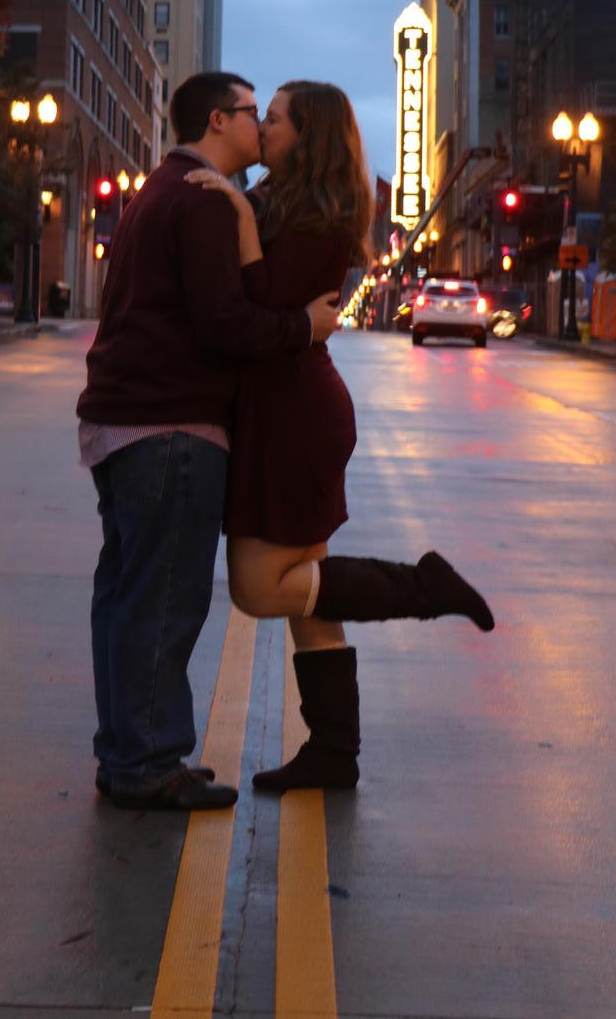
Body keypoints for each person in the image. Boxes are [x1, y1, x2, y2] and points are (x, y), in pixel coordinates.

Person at [186, 81, 495, 795]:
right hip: (284, 408)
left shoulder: (317, 219)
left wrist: (234, 211)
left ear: (310, 135)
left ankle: (424, 586)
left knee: (261, 591)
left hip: (295, 415)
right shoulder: (286, 203)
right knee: (309, 595)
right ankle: (333, 752)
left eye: (276, 117)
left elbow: (264, 304)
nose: (262, 125)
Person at [76, 71, 341, 812]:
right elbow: (224, 324)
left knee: (126, 598)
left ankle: (126, 751)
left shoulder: (164, 189)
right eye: (256, 115)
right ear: (222, 120)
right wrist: (304, 328)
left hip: (126, 423)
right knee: (163, 600)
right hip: (170, 428)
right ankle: (148, 763)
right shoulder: (200, 202)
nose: (263, 129)